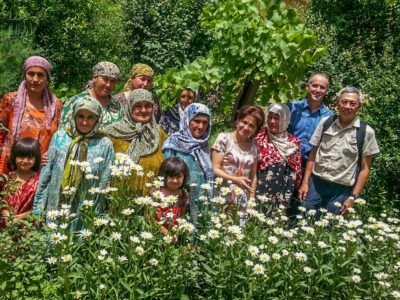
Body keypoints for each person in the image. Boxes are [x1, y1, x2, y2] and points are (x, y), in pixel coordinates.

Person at [33, 96, 115, 230]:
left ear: (98, 119)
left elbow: (106, 180)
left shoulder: (104, 143)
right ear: (73, 116)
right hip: (57, 204)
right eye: (80, 116)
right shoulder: (60, 137)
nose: (84, 122)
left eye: (90, 117)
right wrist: (38, 209)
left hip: (86, 208)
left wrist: (97, 213)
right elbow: (46, 174)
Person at [298, 86, 380, 216]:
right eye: (344, 101)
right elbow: (313, 154)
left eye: (352, 103)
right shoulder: (326, 122)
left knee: (329, 229)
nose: (347, 106)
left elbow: (365, 169)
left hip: (341, 191)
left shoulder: (366, 132)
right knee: (304, 222)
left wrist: (353, 197)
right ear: (338, 103)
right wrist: (305, 183)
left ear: (359, 106)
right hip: (316, 185)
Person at [0, 56, 63, 175]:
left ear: (47, 78)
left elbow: (59, 137)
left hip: (41, 169)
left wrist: (51, 154)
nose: (35, 79)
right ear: (25, 75)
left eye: (40, 75)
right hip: (11, 167)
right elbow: (1, 133)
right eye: (31, 74)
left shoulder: (56, 105)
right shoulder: (10, 100)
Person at [105, 88, 168, 195]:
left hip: (151, 200)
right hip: (120, 200)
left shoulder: (159, 133)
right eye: (138, 106)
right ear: (129, 107)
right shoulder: (112, 133)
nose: (143, 110)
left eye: (147, 106)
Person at [162, 103, 214, 226]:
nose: (200, 126)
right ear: (187, 120)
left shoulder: (204, 145)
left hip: (201, 202)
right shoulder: (173, 144)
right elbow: (166, 176)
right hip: (179, 204)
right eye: (196, 121)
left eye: (205, 122)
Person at [212, 105, 264, 206]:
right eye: (244, 122)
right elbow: (215, 168)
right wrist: (235, 179)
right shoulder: (224, 139)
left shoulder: (254, 147)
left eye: (251, 126)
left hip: (241, 199)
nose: (246, 128)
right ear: (238, 120)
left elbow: (253, 177)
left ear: (255, 130)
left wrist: (251, 200)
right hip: (222, 195)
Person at [254, 103, 302, 209]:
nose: (272, 122)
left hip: (280, 192)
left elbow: (294, 174)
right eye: (270, 117)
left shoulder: (293, 143)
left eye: (277, 118)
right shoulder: (258, 137)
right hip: (257, 189)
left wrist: (286, 198)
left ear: (285, 119)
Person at [287, 73, 333, 167]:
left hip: (312, 165)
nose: (318, 90)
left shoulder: (329, 117)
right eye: (315, 86)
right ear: (308, 87)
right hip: (287, 160)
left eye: (322, 87)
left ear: (326, 91)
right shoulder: (292, 108)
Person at [60, 61, 123, 128]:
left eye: (112, 81)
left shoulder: (117, 106)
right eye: (105, 79)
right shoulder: (75, 102)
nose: (108, 85)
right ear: (94, 78)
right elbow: (63, 133)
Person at [0, 138, 41, 228]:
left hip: (26, 230)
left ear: (36, 159)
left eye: (30, 157)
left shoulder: (39, 181)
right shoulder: (6, 179)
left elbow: (40, 206)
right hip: (5, 227)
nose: (25, 161)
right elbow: (1, 201)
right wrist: (4, 212)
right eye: (21, 157)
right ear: (14, 157)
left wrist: (21, 217)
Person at [154, 157, 189, 236]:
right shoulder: (157, 193)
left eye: (178, 177)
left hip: (173, 233)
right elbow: (149, 216)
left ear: (184, 177)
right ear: (164, 176)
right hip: (155, 232)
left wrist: (177, 232)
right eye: (171, 177)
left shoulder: (183, 195)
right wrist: (164, 231)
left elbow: (182, 216)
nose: (175, 181)